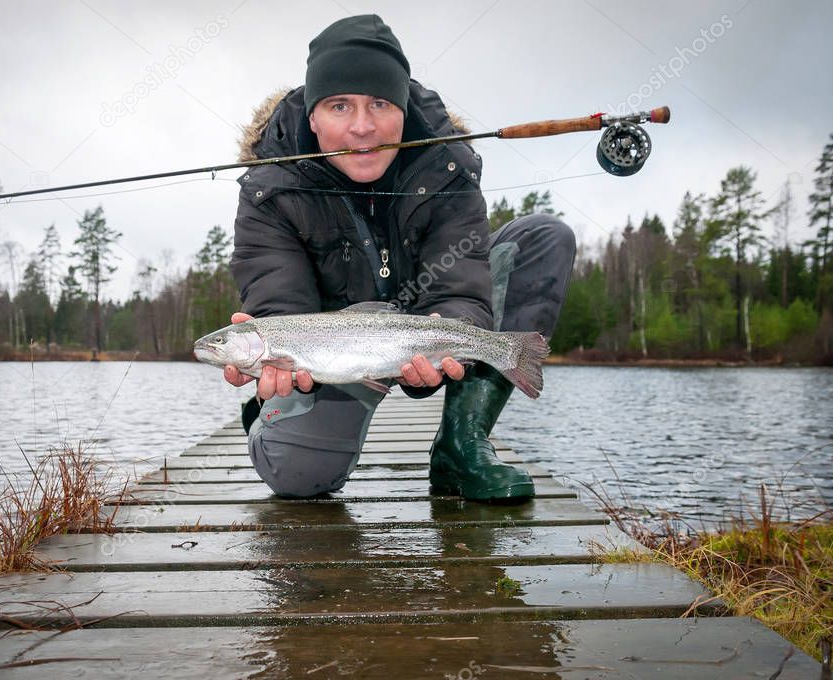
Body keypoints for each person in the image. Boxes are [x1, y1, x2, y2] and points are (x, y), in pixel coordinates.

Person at [224, 14, 575, 502]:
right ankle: (268, 416)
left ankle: (461, 442)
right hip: (338, 353)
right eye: (340, 105)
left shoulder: (448, 166)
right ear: (312, 116)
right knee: (297, 479)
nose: (363, 127)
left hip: (419, 326)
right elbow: (281, 303)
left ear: (404, 112)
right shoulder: (270, 187)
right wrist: (275, 357)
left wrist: (445, 337)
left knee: (542, 236)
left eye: (381, 104)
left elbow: (459, 287)